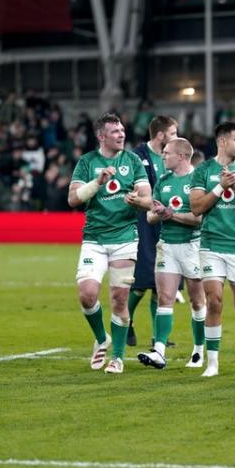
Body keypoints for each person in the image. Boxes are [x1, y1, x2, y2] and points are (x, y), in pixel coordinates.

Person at [68, 113, 151, 374]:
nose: (121, 135)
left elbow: (148, 200)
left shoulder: (133, 161)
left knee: (118, 298)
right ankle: (101, 337)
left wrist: (136, 200)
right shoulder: (87, 162)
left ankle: (117, 357)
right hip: (94, 238)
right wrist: (97, 182)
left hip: (125, 239)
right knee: (87, 294)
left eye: (122, 130)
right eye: (115, 131)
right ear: (101, 136)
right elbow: (73, 199)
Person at [189, 122, 235, 377]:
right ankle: (213, 363)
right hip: (211, 245)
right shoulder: (203, 171)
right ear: (222, 142)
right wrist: (219, 187)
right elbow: (196, 207)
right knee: (214, 302)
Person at [138, 138, 205, 369]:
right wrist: (159, 213)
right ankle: (159, 351)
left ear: (182, 156)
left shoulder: (198, 180)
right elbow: (149, 217)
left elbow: (199, 219)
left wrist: (170, 214)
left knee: (197, 301)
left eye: (166, 153)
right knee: (165, 299)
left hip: (193, 247)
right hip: (167, 245)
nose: (162, 156)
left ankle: (198, 352)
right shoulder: (163, 181)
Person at [127, 115, 179, 348]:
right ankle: (124, 320)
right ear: (161, 135)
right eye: (173, 133)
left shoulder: (173, 157)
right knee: (141, 282)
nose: (176, 137)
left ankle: (160, 337)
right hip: (144, 224)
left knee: (163, 284)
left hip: (167, 224)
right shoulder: (138, 156)